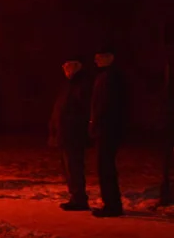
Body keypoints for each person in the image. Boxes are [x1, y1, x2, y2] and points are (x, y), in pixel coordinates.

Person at [49, 54, 91, 211]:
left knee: (74, 166)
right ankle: (75, 196)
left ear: (77, 66)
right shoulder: (68, 84)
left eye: (68, 65)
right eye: (64, 66)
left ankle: (79, 198)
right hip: (65, 132)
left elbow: (81, 109)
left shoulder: (81, 84)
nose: (64, 69)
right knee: (68, 166)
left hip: (73, 133)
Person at [89, 44, 126, 217]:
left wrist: (100, 124)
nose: (96, 59)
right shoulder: (104, 77)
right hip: (104, 129)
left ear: (110, 57)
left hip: (108, 130)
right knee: (104, 167)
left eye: (100, 56)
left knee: (106, 168)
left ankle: (112, 204)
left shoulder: (111, 78)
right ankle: (110, 202)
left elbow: (108, 106)